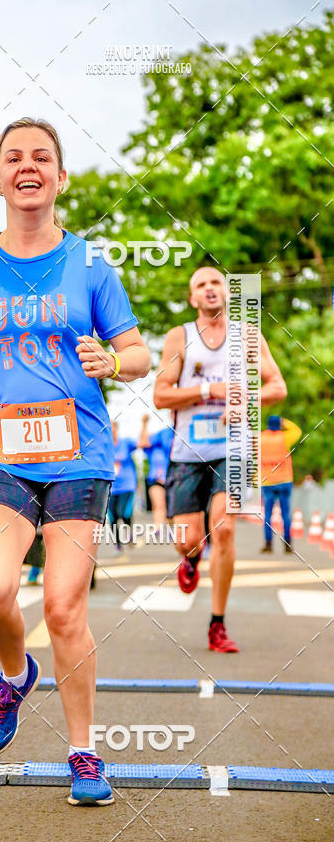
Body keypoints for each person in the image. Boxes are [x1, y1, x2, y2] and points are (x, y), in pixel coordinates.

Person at [0, 117, 150, 806]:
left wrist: (112, 360)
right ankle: (14, 675)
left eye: (41, 158)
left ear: (60, 178)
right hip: (0, 449)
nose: (27, 166)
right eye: (13, 157)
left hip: (78, 453)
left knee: (64, 607)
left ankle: (84, 754)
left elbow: (139, 353)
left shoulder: (92, 264)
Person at [154, 267, 286, 653]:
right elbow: (161, 396)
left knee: (224, 530)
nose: (210, 289)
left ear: (227, 293)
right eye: (201, 285)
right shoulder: (180, 337)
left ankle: (217, 625)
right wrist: (210, 389)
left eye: (216, 283)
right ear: (193, 298)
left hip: (234, 448)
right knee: (189, 539)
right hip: (186, 452)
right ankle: (190, 558)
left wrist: (245, 398)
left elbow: (277, 386)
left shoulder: (247, 336)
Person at [260, 416, 302, 554]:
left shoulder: (260, 438)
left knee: (267, 514)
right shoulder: (285, 437)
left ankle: (268, 544)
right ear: (279, 425)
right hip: (284, 481)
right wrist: (285, 422)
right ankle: (288, 545)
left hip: (267, 482)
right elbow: (297, 431)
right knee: (286, 514)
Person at [138, 414, 174, 526]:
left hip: (173, 478)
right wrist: (144, 423)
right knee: (158, 505)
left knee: (172, 510)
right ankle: (158, 528)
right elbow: (142, 442)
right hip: (156, 480)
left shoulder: (170, 441)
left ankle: (171, 526)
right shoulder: (152, 449)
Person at [107, 421, 138, 551]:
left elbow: (142, 443)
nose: (111, 429)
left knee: (123, 513)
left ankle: (130, 534)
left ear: (117, 429)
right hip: (111, 488)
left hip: (127, 485)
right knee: (112, 517)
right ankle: (118, 545)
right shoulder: (104, 446)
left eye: (113, 427)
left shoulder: (125, 443)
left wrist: (144, 424)